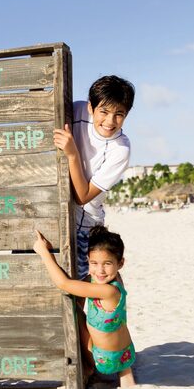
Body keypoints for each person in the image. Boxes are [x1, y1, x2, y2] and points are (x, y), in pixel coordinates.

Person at [33, 226, 136, 389]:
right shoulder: (112, 280)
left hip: (103, 361)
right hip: (126, 355)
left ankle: (87, 368)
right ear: (88, 260)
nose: (100, 270)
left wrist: (44, 253)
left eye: (107, 264)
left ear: (120, 263)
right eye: (94, 263)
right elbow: (76, 285)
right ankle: (124, 371)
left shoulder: (108, 291)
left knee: (73, 310)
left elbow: (64, 284)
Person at [53, 75, 134, 280]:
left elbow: (83, 196)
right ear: (90, 107)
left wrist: (72, 154)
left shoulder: (120, 149)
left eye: (119, 114)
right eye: (104, 111)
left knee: (77, 293)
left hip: (85, 225)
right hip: (54, 213)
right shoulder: (76, 111)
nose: (110, 121)